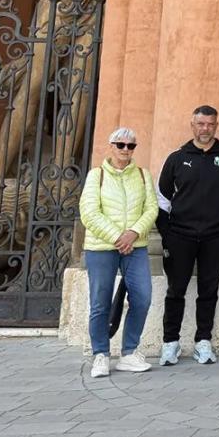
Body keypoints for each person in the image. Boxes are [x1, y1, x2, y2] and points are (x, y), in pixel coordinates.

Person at [157, 105, 219, 366]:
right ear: (192, 125)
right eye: (201, 124)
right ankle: (170, 343)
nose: (205, 129)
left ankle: (203, 342)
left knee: (208, 291)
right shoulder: (176, 158)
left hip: (216, 237)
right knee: (175, 291)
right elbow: (162, 199)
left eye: (210, 124)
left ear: (217, 126)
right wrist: (168, 234)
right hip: (180, 236)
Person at [80, 127, 158, 377]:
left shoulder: (143, 176)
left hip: (135, 246)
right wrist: (117, 237)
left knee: (142, 297)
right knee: (100, 302)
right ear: (111, 146)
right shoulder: (97, 175)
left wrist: (133, 233)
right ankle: (100, 354)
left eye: (130, 146)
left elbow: (151, 209)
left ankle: (129, 351)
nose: (125, 149)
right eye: (120, 144)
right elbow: (89, 213)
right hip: (102, 247)